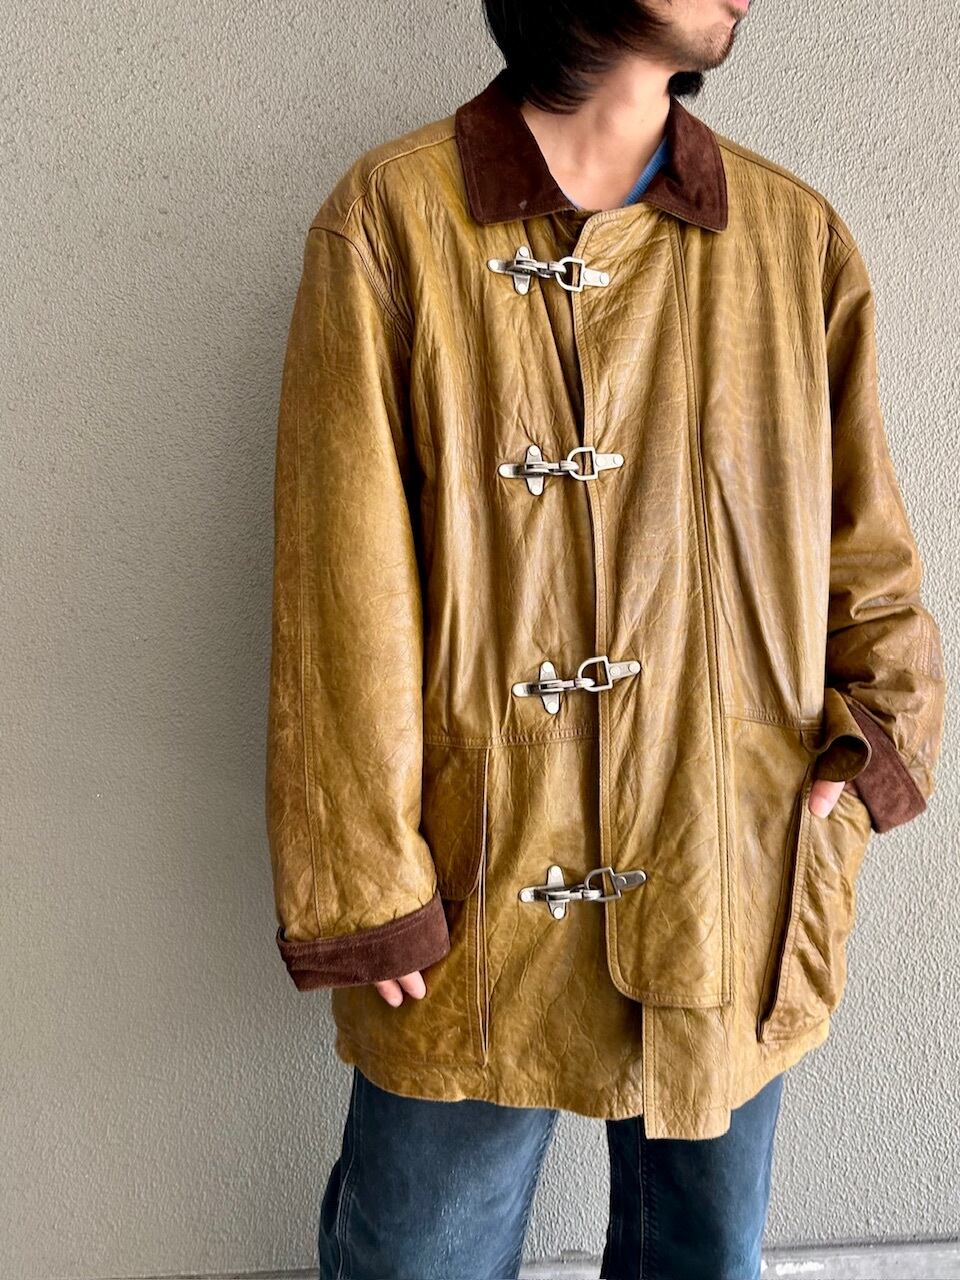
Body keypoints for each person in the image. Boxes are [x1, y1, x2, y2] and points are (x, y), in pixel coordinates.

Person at [264, 2, 946, 1277]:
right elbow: (336, 581)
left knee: (704, 1255)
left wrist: (874, 744)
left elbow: (866, 544)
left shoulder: (789, 236)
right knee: (416, 1258)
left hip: (729, 845)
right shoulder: (393, 222)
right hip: (476, 860)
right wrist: (361, 877)